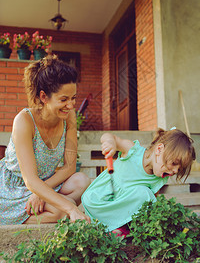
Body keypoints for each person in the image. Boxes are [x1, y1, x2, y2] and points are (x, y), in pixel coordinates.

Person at [0, 55, 91, 225]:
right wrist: (71, 208)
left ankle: (49, 206)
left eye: (73, 98)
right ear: (44, 97)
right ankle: (44, 212)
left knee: (82, 181)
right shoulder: (24, 121)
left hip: (46, 183)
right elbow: (30, 180)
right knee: (62, 210)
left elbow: (70, 166)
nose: (71, 105)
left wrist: (41, 192)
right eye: (63, 99)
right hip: (13, 188)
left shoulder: (69, 117)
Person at [82, 128, 196, 236]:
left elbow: (147, 203)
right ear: (159, 149)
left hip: (121, 207)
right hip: (102, 198)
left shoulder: (160, 177)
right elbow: (108, 136)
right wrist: (110, 142)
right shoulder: (133, 150)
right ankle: (116, 227)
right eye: (174, 163)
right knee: (88, 198)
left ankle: (120, 228)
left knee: (144, 194)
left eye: (179, 169)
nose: (175, 171)